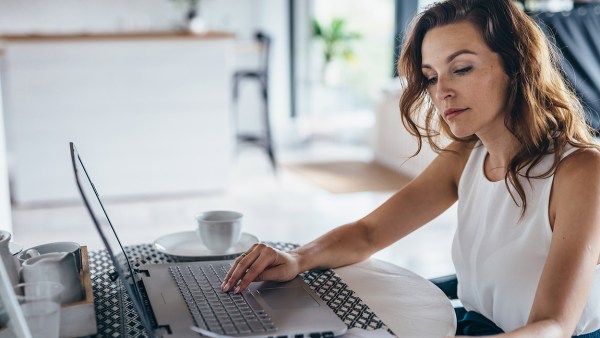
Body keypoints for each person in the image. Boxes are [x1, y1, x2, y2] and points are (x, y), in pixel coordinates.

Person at [221, 0, 600, 336]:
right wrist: (297, 258)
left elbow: (552, 327)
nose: (441, 91)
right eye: (432, 76)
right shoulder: (467, 154)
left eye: (462, 68)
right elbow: (369, 233)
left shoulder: (582, 171)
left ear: (517, 65)